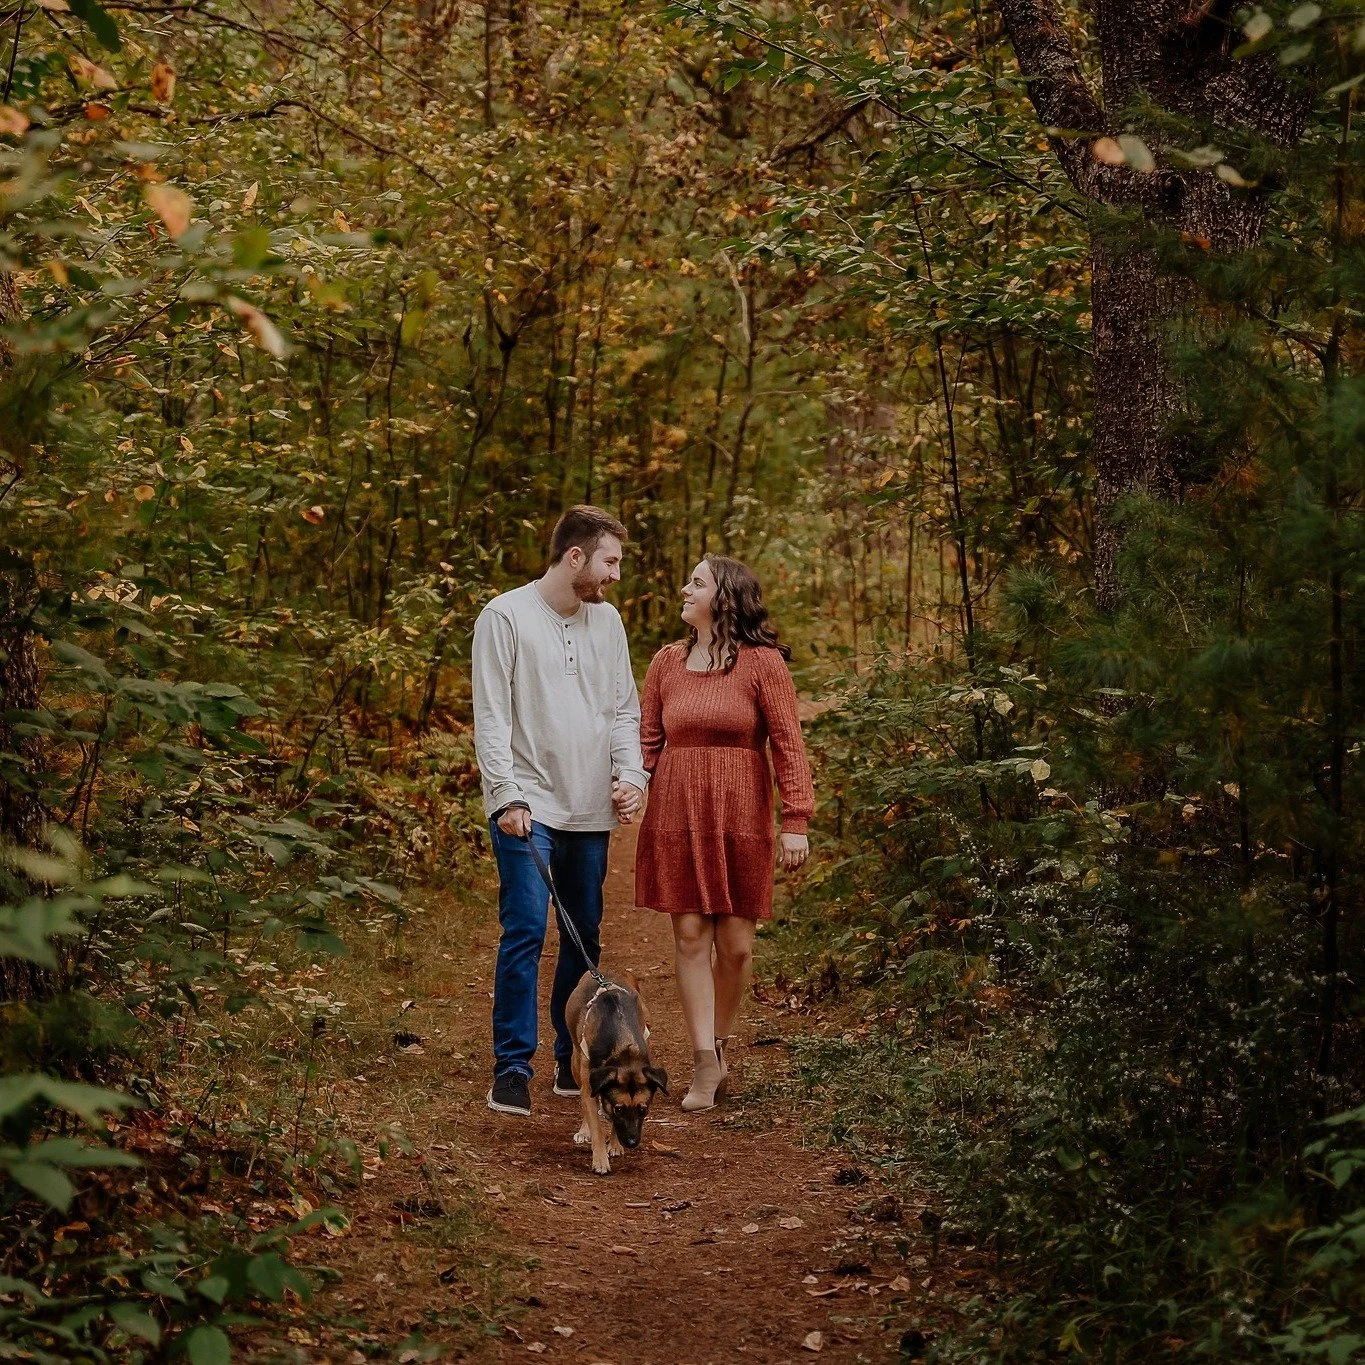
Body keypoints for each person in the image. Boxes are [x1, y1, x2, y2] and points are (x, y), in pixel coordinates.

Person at [471, 505, 647, 1117]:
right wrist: (505, 795)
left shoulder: (609, 624)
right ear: (576, 557)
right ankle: (511, 1067)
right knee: (525, 928)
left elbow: (624, 711)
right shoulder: (505, 617)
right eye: (610, 561)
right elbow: (492, 715)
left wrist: (630, 777)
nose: (615, 576)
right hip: (528, 805)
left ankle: (569, 1059)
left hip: (588, 809)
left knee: (584, 936)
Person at [634, 554, 814, 1111]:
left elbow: (787, 742)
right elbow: (646, 742)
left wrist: (796, 820)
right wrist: (631, 786)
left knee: (735, 946)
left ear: (726, 596)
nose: (684, 589)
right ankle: (705, 1063)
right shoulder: (666, 663)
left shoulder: (762, 664)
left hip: (741, 809)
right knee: (690, 935)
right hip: (677, 808)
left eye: (696, 582)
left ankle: (719, 1038)